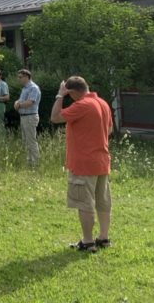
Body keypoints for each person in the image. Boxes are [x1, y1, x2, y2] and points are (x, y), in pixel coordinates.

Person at [50, 76, 113, 253]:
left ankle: (87, 241)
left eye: (68, 95)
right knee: (103, 201)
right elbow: (109, 130)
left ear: (72, 92)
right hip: (101, 160)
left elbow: (55, 117)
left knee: (84, 203)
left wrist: (59, 96)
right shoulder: (102, 103)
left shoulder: (82, 105)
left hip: (84, 163)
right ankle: (103, 238)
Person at [13, 68, 41, 166]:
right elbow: (21, 100)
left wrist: (19, 105)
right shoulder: (25, 88)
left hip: (30, 117)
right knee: (26, 141)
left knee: (31, 141)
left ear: (26, 77)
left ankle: (36, 163)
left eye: (20, 77)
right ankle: (29, 162)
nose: (19, 79)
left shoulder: (33, 88)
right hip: (24, 117)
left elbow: (30, 102)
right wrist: (17, 102)